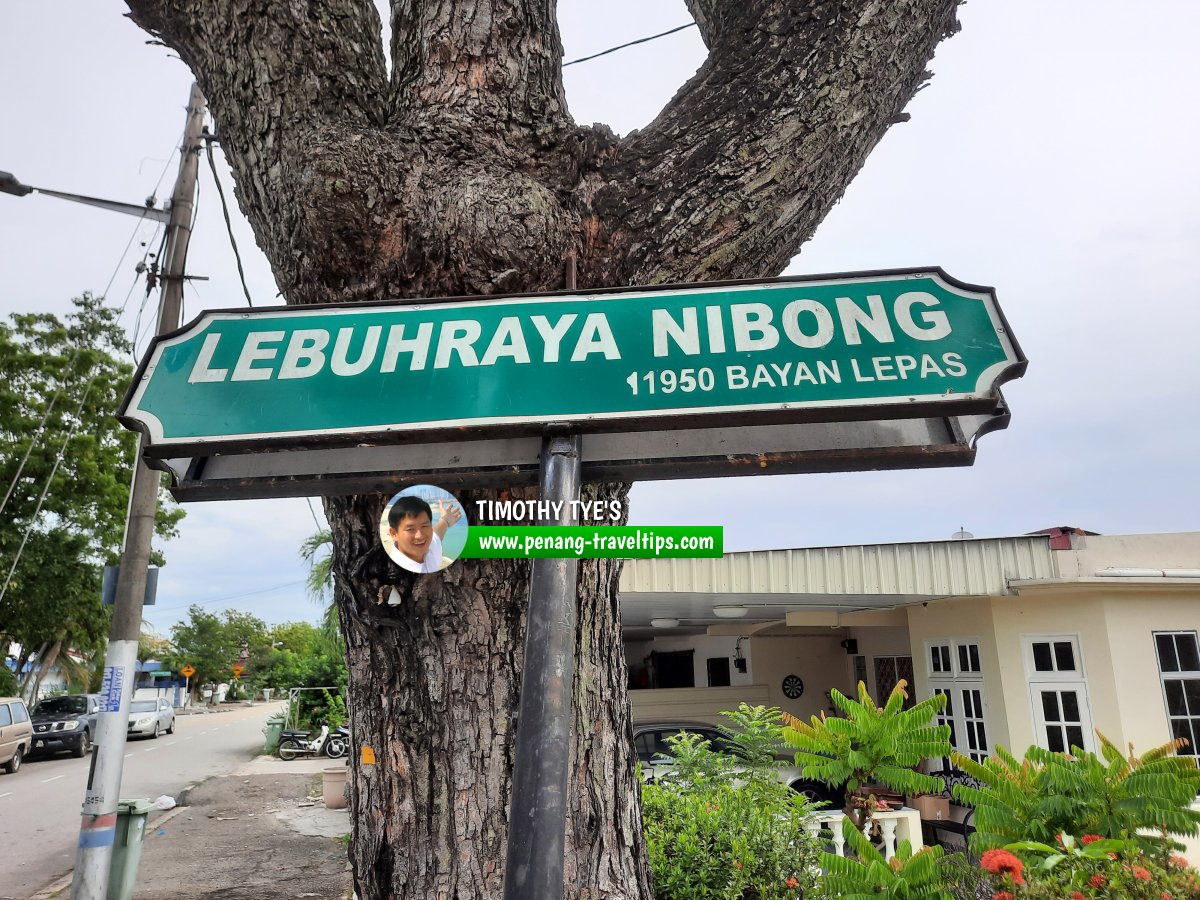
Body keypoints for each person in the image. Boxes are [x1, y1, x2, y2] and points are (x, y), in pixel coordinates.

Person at [385, 495, 463, 574]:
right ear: (394, 534)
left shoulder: (430, 548)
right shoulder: (392, 572)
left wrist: (446, 520)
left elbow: (437, 533)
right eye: (410, 529)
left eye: (424, 526)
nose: (420, 536)